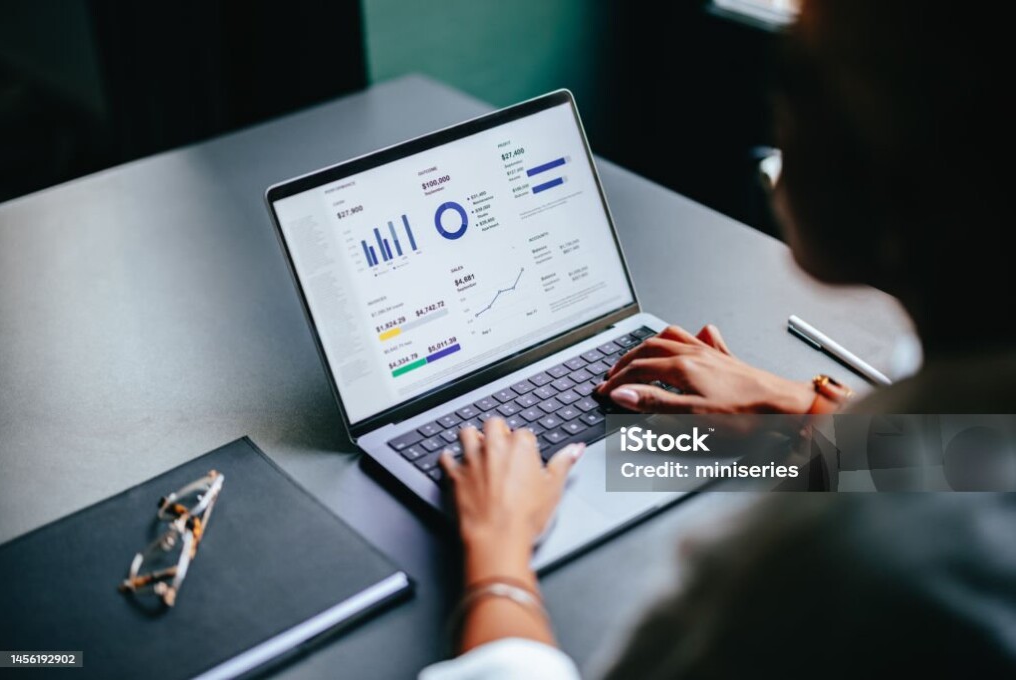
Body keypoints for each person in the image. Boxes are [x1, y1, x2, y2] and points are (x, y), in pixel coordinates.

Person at [421, 0, 1016, 676]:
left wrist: (496, 561)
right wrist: (809, 416)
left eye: (797, 71)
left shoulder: (826, 571)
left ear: (881, 163)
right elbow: (990, 454)